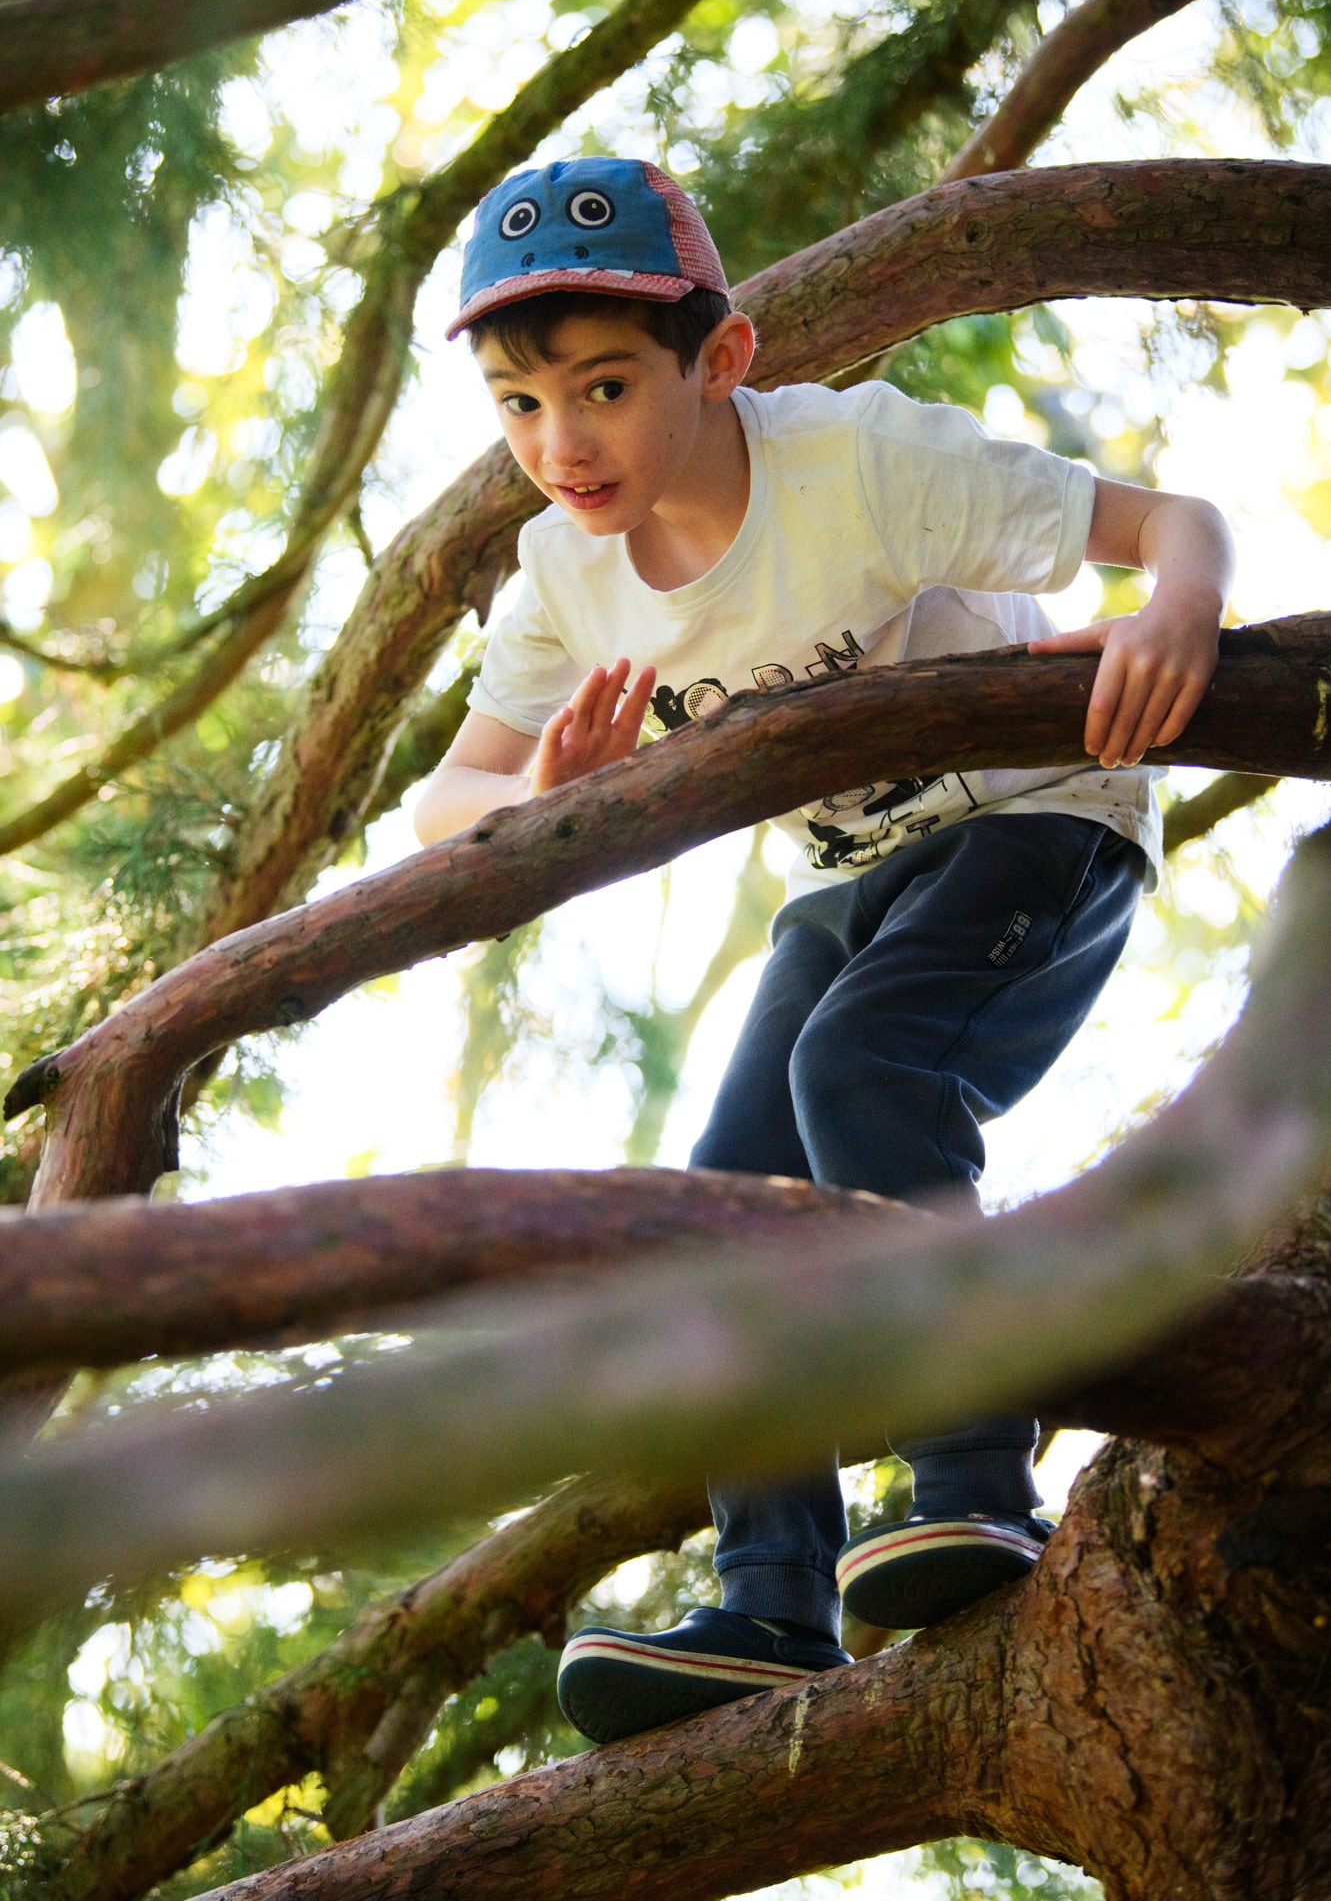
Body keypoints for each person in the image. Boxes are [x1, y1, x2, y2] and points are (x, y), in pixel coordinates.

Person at [415, 155, 1234, 1746]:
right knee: (723, 1200)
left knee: (861, 1066)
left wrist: (1178, 610)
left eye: (603, 387)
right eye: (520, 405)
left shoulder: (860, 463)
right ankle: (775, 1603)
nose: (562, 444)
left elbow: (1170, 525)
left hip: (1038, 812)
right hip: (854, 874)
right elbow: (448, 802)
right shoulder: (567, 576)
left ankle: (977, 1476)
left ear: (720, 358)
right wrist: (536, 798)